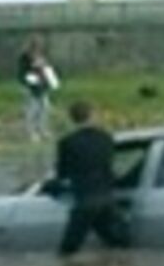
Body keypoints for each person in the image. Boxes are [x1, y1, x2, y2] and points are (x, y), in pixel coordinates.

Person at [55, 100, 131, 257]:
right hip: (107, 199)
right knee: (120, 246)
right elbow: (109, 166)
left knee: (67, 252)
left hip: (85, 201)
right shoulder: (106, 138)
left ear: (72, 118)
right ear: (92, 116)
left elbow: (62, 173)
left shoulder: (67, 142)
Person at [17, 35, 58, 142]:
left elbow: (47, 69)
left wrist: (52, 82)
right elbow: (22, 74)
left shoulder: (42, 56)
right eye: (37, 45)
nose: (39, 47)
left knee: (45, 107)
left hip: (42, 87)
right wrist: (34, 81)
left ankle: (42, 129)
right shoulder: (25, 57)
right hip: (29, 87)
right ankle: (31, 132)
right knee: (32, 109)